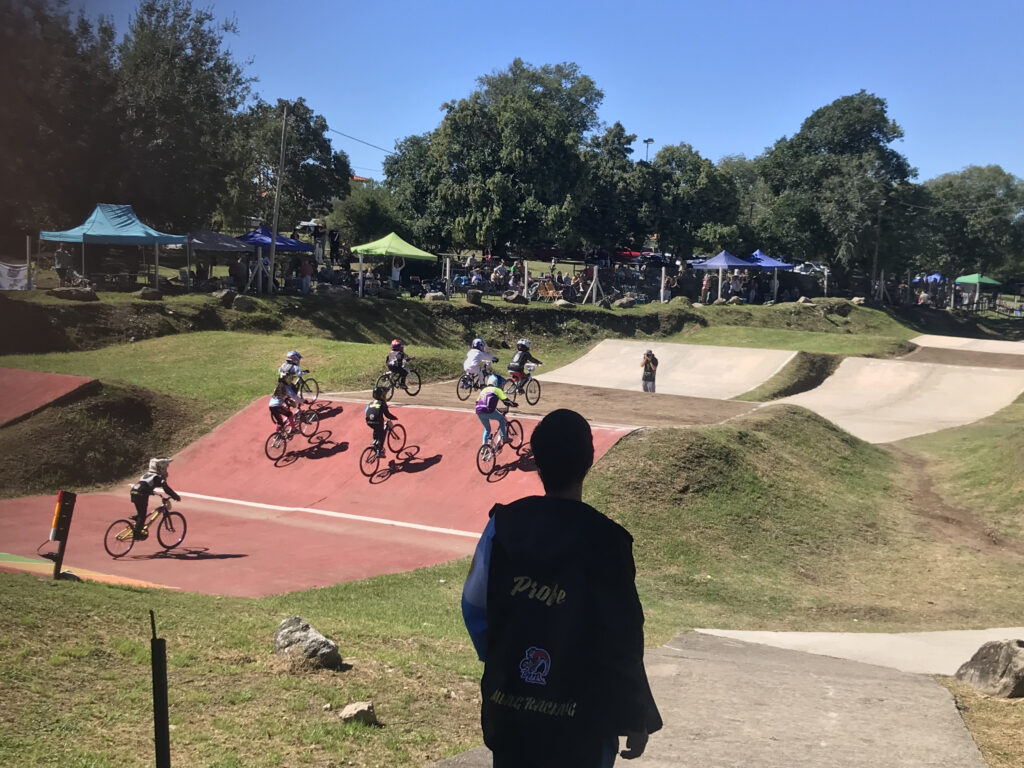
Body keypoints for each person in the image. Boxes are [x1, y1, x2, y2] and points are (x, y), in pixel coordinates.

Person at [462, 409, 662, 767]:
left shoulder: (502, 525)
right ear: (590, 460)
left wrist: (501, 655)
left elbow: (474, 607)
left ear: (537, 461)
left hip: (511, 711)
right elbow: (623, 637)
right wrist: (635, 713)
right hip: (583, 725)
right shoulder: (608, 541)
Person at [130, 458, 181, 537]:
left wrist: (152, 492)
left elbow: (145, 485)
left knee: (141, 512)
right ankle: (137, 534)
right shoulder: (157, 477)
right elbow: (166, 489)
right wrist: (175, 496)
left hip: (134, 492)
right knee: (142, 516)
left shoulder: (147, 475)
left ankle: (137, 520)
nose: (166, 470)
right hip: (141, 494)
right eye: (165, 467)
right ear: (161, 468)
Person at [475, 374, 516, 446]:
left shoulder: (484, 390)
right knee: (502, 419)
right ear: (496, 383)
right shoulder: (497, 390)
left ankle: (484, 447)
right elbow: (506, 401)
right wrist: (513, 404)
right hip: (489, 410)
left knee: (487, 429)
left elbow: (477, 402)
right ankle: (504, 437)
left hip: (479, 411)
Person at [365, 386, 398, 457]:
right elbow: (387, 415)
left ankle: (375, 441)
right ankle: (379, 452)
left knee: (376, 428)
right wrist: (394, 417)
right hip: (377, 420)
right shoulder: (382, 403)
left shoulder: (371, 403)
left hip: (369, 421)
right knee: (382, 435)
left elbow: (366, 410)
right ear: (381, 395)